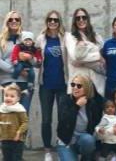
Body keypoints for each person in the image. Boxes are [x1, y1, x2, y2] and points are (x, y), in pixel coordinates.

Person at [35, 10, 68, 161]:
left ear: (59, 22)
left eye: (55, 20)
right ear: (47, 21)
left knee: (62, 118)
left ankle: (61, 148)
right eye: (50, 20)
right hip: (46, 85)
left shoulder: (65, 38)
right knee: (46, 119)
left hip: (62, 84)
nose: (53, 22)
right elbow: (35, 60)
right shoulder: (41, 39)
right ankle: (47, 150)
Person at [56, 75, 103, 161]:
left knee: (89, 140)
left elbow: (96, 123)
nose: (75, 88)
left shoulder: (92, 103)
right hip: (66, 142)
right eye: (73, 84)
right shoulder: (65, 100)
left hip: (83, 141)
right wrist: (77, 106)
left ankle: (85, 157)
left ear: (86, 88)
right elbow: (63, 121)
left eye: (79, 86)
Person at [64, 8, 105, 96]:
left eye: (84, 17)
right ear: (74, 21)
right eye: (78, 18)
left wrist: (84, 62)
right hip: (78, 85)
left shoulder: (97, 37)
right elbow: (75, 57)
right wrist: (98, 56)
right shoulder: (70, 37)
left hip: (97, 86)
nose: (81, 20)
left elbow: (104, 61)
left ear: (88, 19)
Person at [0, 11, 34, 113]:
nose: (14, 21)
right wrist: (17, 70)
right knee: (10, 117)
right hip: (8, 83)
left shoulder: (26, 39)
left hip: (25, 82)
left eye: (17, 19)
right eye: (10, 19)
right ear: (7, 22)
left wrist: (30, 58)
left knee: (23, 115)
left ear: (20, 22)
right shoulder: (1, 40)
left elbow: (34, 59)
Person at [0, 83, 28, 161]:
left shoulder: (20, 110)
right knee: (6, 158)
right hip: (5, 139)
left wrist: (19, 133)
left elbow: (25, 122)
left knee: (16, 158)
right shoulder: (2, 109)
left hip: (17, 140)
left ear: (18, 98)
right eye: (6, 95)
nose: (8, 98)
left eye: (12, 96)